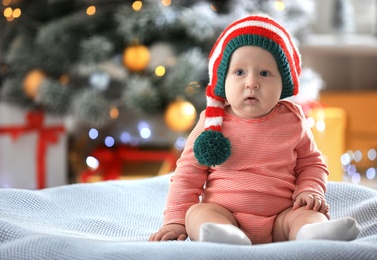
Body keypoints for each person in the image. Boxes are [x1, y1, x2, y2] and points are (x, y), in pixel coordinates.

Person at [149, 15, 360, 245]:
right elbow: (188, 175)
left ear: (283, 83)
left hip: (281, 220)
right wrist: (175, 221)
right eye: (239, 72)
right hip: (224, 214)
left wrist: (309, 192)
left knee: (307, 214)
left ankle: (312, 232)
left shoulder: (292, 120)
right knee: (197, 214)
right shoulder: (212, 123)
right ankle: (224, 235)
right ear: (223, 80)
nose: (252, 82)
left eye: (264, 73)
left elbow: (312, 164)